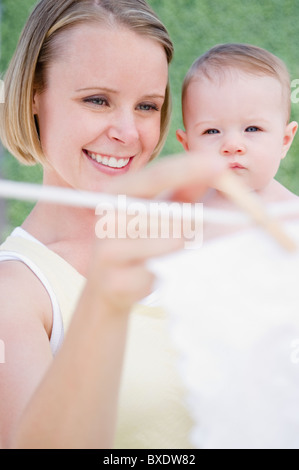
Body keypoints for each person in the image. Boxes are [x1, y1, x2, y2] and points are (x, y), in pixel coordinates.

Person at [0, 0, 228, 449]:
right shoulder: (15, 292)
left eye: (147, 106)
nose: (128, 132)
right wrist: (105, 302)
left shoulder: (206, 229)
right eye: (97, 100)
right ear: (32, 96)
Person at [176, 43, 299, 240]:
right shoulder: (183, 213)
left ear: (284, 141)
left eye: (252, 129)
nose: (232, 145)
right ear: (188, 146)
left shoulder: (293, 214)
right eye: (212, 131)